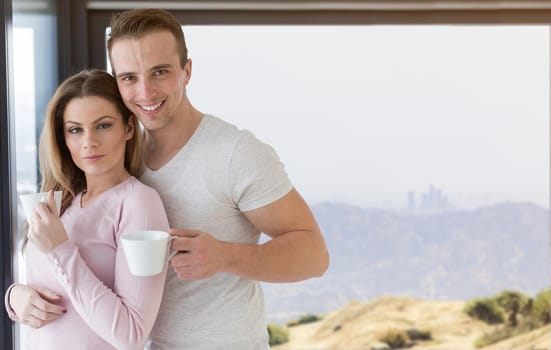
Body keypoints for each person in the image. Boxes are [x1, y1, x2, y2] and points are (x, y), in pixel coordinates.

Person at [8, 8, 330, 350]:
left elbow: (314, 256)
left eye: (159, 72)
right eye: (129, 77)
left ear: (187, 71)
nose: (145, 92)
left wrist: (225, 256)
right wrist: (16, 298)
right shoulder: (121, 159)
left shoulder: (235, 153)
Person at [4, 70, 170, 349]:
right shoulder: (62, 202)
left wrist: (61, 248)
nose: (88, 141)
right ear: (63, 138)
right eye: (75, 129)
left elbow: (131, 335)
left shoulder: (139, 203)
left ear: (128, 128)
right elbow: (46, 286)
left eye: (103, 125)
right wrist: (14, 297)